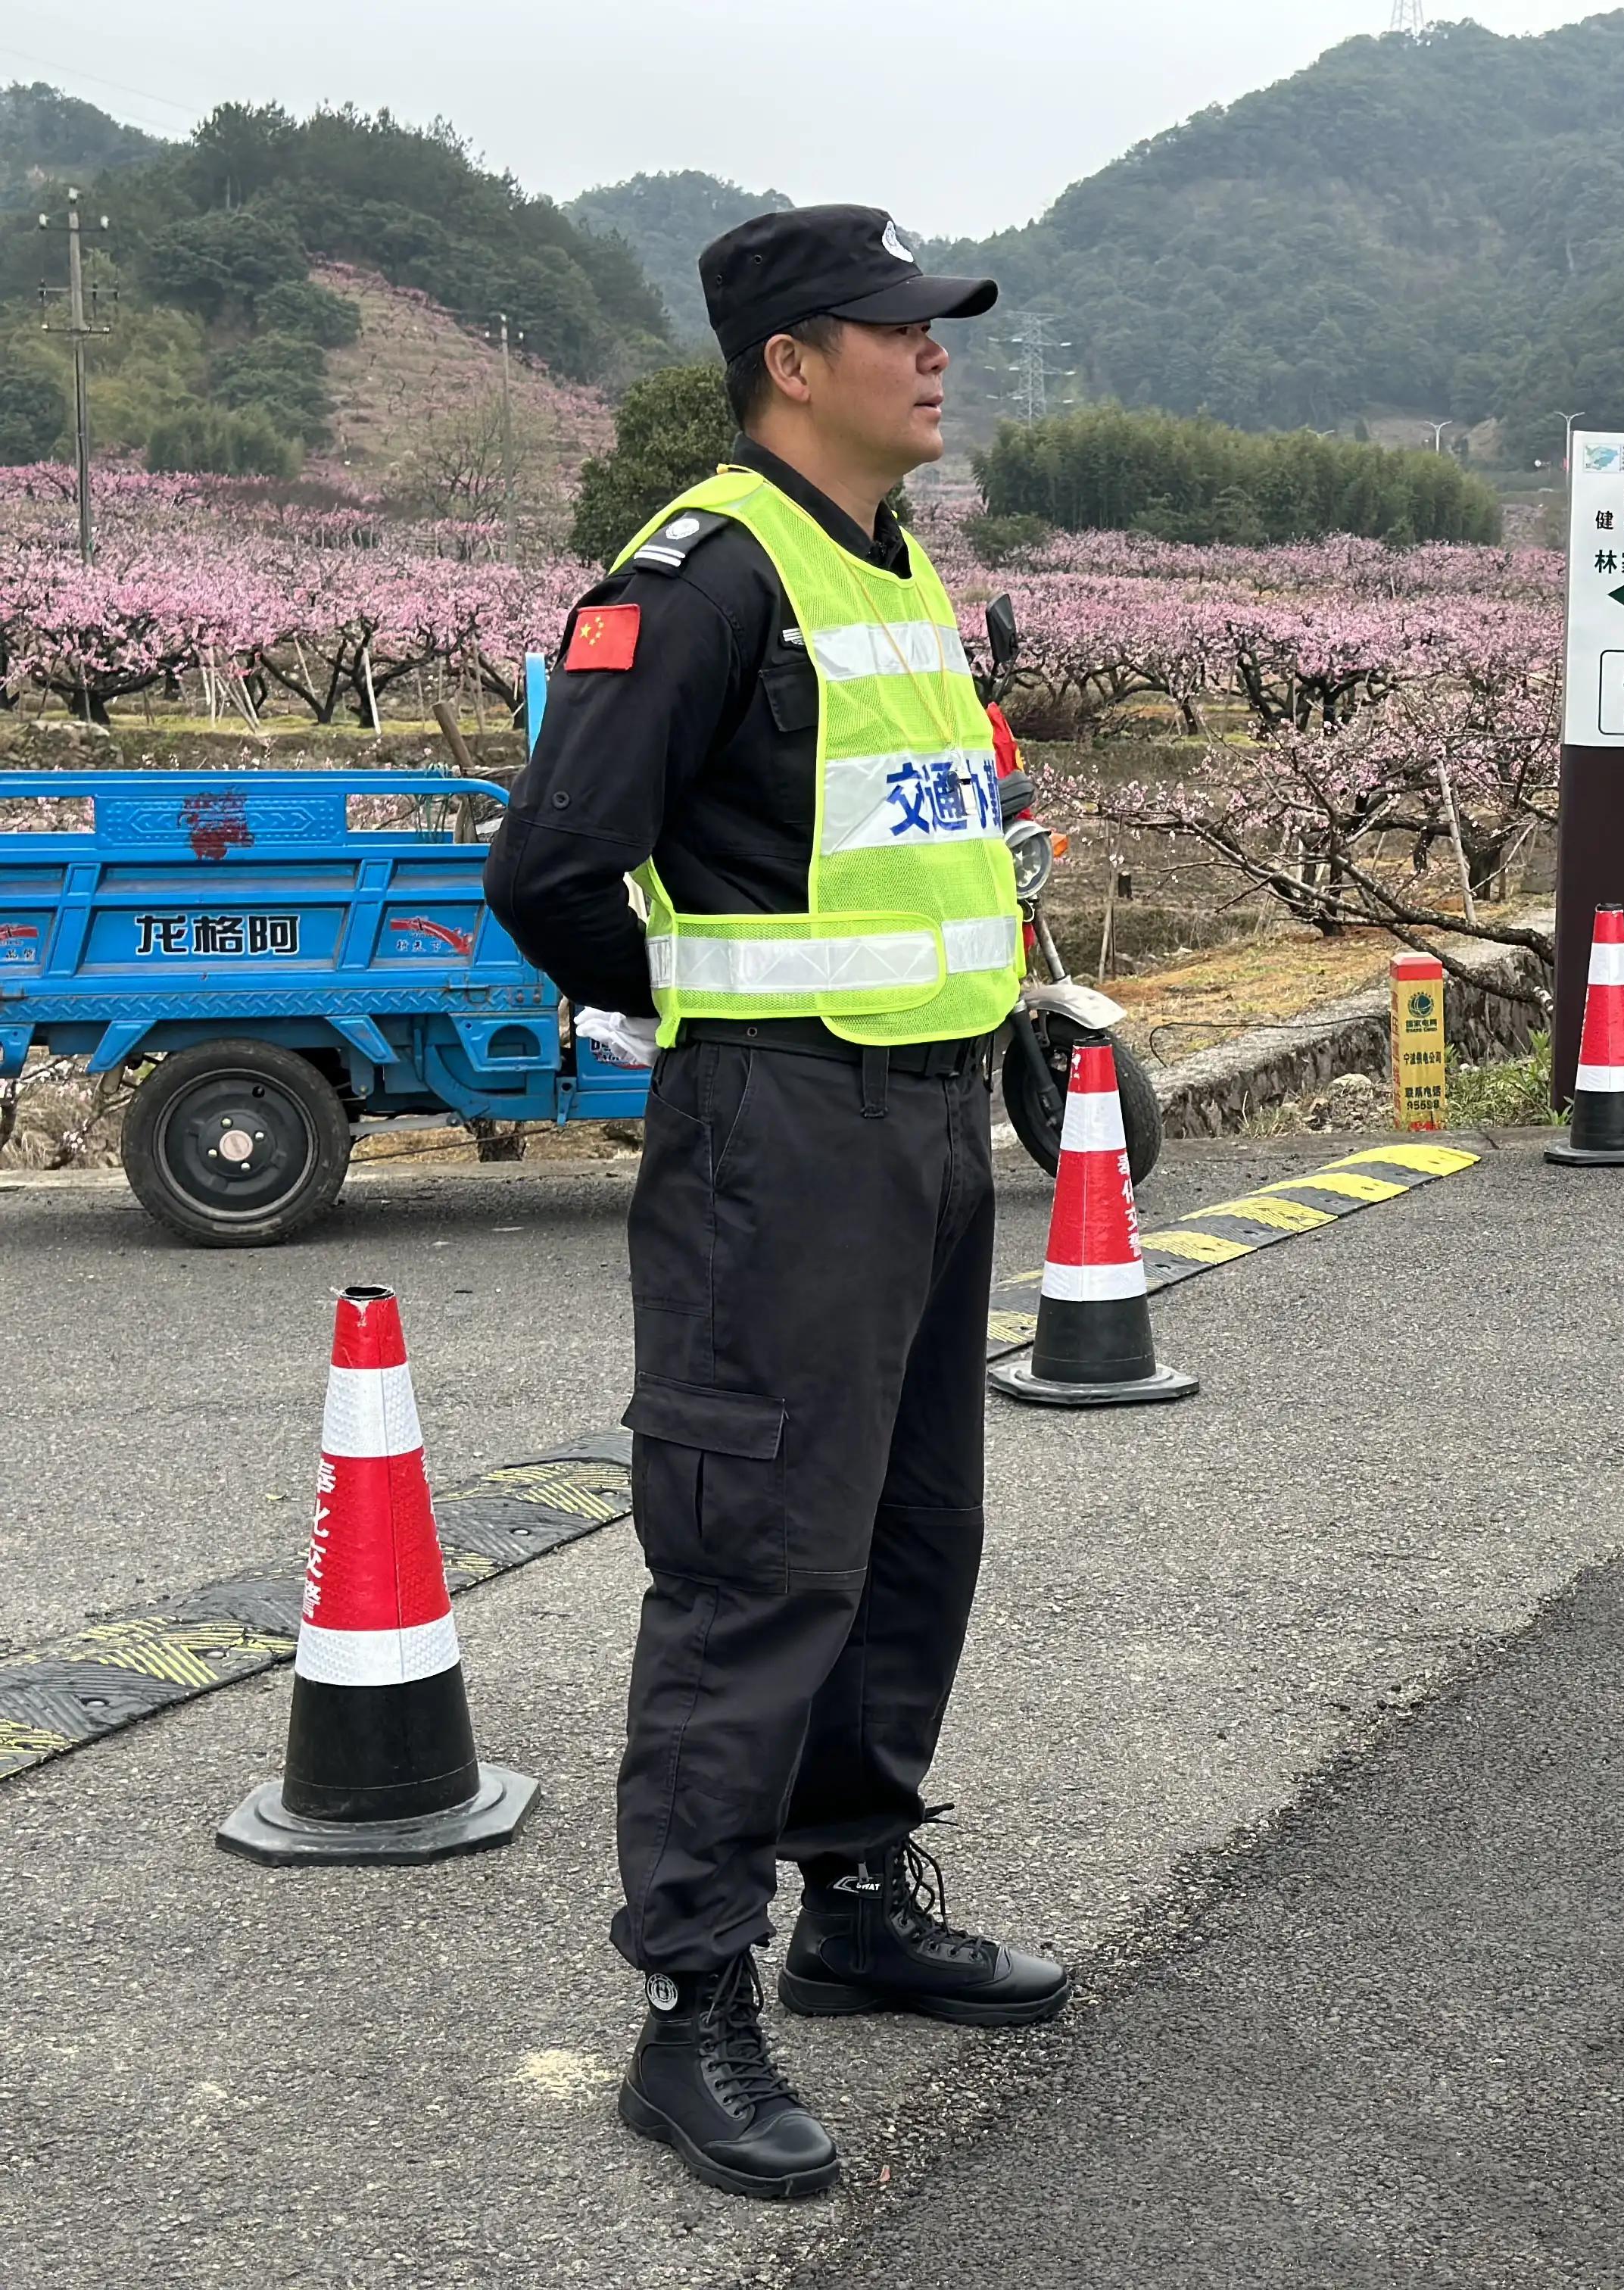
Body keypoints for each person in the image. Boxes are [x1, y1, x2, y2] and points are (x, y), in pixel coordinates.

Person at [485, 204, 1067, 2204]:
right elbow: (555, 864)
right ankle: (692, 2007)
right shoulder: (708, 574)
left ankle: (858, 1903)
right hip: (780, 1131)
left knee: (910, 1536)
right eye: (895, 327)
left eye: (939, 324)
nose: (935, 353)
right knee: (758, 1561)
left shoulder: (899, 575)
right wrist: (717, 1022)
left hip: (923, 1126)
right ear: (790, 361)